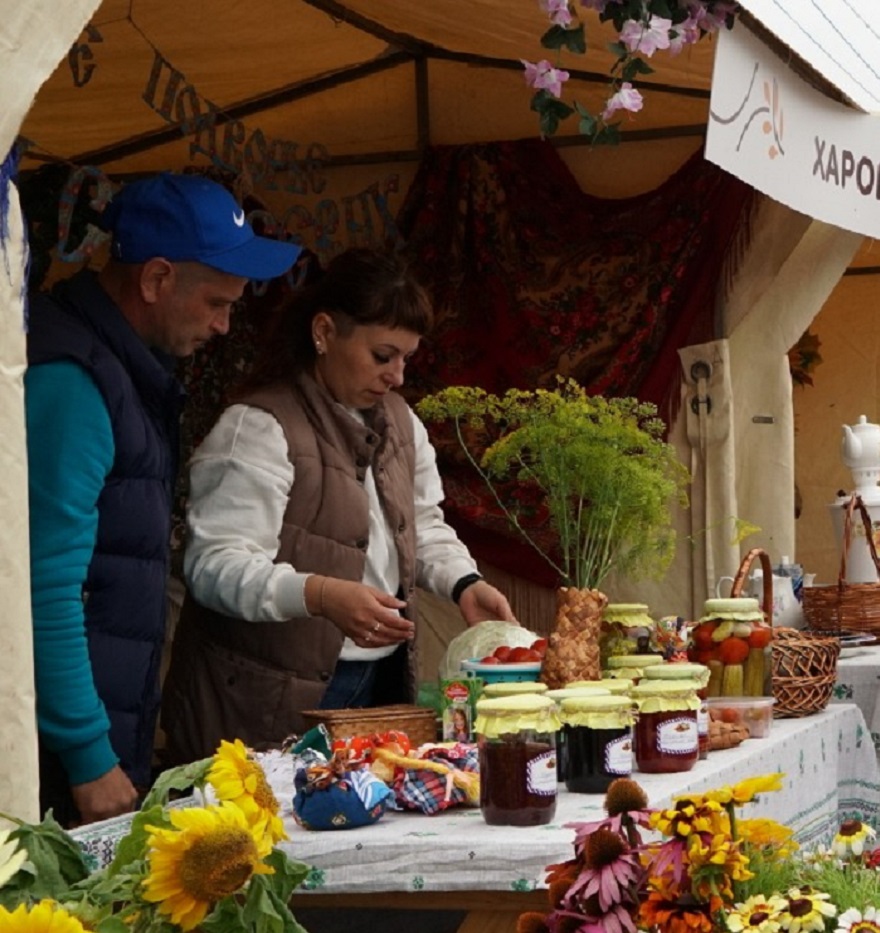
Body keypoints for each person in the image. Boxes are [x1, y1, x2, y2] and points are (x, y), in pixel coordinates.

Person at [161, 248, 517, 765]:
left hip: (380, 679)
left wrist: (464, 582)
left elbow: (422, 525)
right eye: (383, 355)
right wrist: (320, 594)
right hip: (260, 697)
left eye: (405, 359)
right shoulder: (257, 427)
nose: (397, 375)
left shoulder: (400, 421)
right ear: (324, 332)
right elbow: (214, 566)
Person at [26, 172, 301, 826]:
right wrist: (90, 754)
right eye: (215, 302)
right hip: (55, 764)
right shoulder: (74, 383)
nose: (225, 324)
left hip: (92, 737)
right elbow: (43, 583)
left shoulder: (121, 372)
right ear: (155, 280)